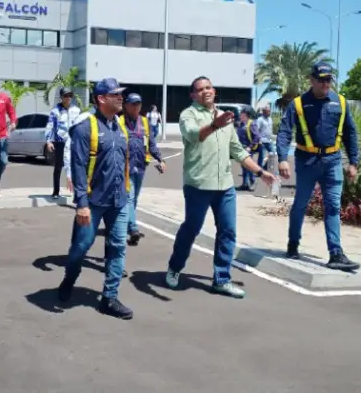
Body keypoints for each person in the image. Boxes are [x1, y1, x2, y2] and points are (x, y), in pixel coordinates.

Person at [165, 76, 276, 299]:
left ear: (214, 91)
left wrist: (260, 172)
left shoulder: (223, 117)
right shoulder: (189, 115)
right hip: (198, 184)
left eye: (208, 87)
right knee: (191, 229)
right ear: (193, 95)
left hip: (225, 186)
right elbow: (194, 135)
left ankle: (222, 279)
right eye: (200, 89)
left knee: (228, 231)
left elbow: (238, 151)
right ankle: (175, 268)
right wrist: (215, 125)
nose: (205, 91)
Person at [58, 77, 133, 320]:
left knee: (118, 247)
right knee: (80, 248)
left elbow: (124, 163)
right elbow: (78, 167)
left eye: (121, 94)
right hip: (92, 202)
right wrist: (81, 204)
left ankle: (109, 298)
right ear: (101, 98)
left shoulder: (120, 126)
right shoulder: (84, 128)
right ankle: (69, 280)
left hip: (119, 201)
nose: (121, 98)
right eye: (116, 94)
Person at [276, 61, 360, 271]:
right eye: (321, 80)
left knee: (332, 206)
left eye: (328, 80)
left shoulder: (340, 102)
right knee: (301, 205)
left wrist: (354, 162)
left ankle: (336, 253)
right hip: (307, 161)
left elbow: (350, 133)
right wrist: (282, 158)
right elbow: (285, 131)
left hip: (332, 162)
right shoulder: (298, 104)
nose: (325, 84)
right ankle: (293, 243)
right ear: (311, 80)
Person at [119, 93, 165, 245]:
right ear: (126, 105)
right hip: (125, 166)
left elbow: (151, 143)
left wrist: (160, 158)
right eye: (133, 104)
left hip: (140, 166)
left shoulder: (144, 122)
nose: (136, 106)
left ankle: (127, 224)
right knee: (130, 197)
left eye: (138, 103)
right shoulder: (119, 121)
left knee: (134, 198)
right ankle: (133, 229)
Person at [45, 87, 81, 199]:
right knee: (58, 166)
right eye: (66, 95)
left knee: (76, 166)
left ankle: (77, 192)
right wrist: (49, 141)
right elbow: (50, 126)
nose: (68, 98)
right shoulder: (55, 111)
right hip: (60, 142)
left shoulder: (76, 110)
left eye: (70, 95)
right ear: (61, 97)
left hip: (74, 142)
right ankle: (56, 191)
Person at [236, 109, 261, 191]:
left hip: (248, 149)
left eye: (242, 115)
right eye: (240, 115)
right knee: (244, 166)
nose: (240, 116)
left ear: (246, 116)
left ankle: (253, 182)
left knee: (249, 166)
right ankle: (245, 184)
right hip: (241, 148)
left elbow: (257, 136)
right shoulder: (241, 124)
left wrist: (250, 146)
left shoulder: (251, 124)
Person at [256, 104, 275, 171]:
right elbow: (256, 130)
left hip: (269, 141)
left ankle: (264, 167)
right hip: (262, 141)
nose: (269, 112)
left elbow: (270, 129)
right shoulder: (260, 120)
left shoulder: (270, 119)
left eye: (269, 111)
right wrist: (259, 140)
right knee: (262, 157)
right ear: (264, 112)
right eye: (268, 111)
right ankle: (259, 170)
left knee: (272, 154)